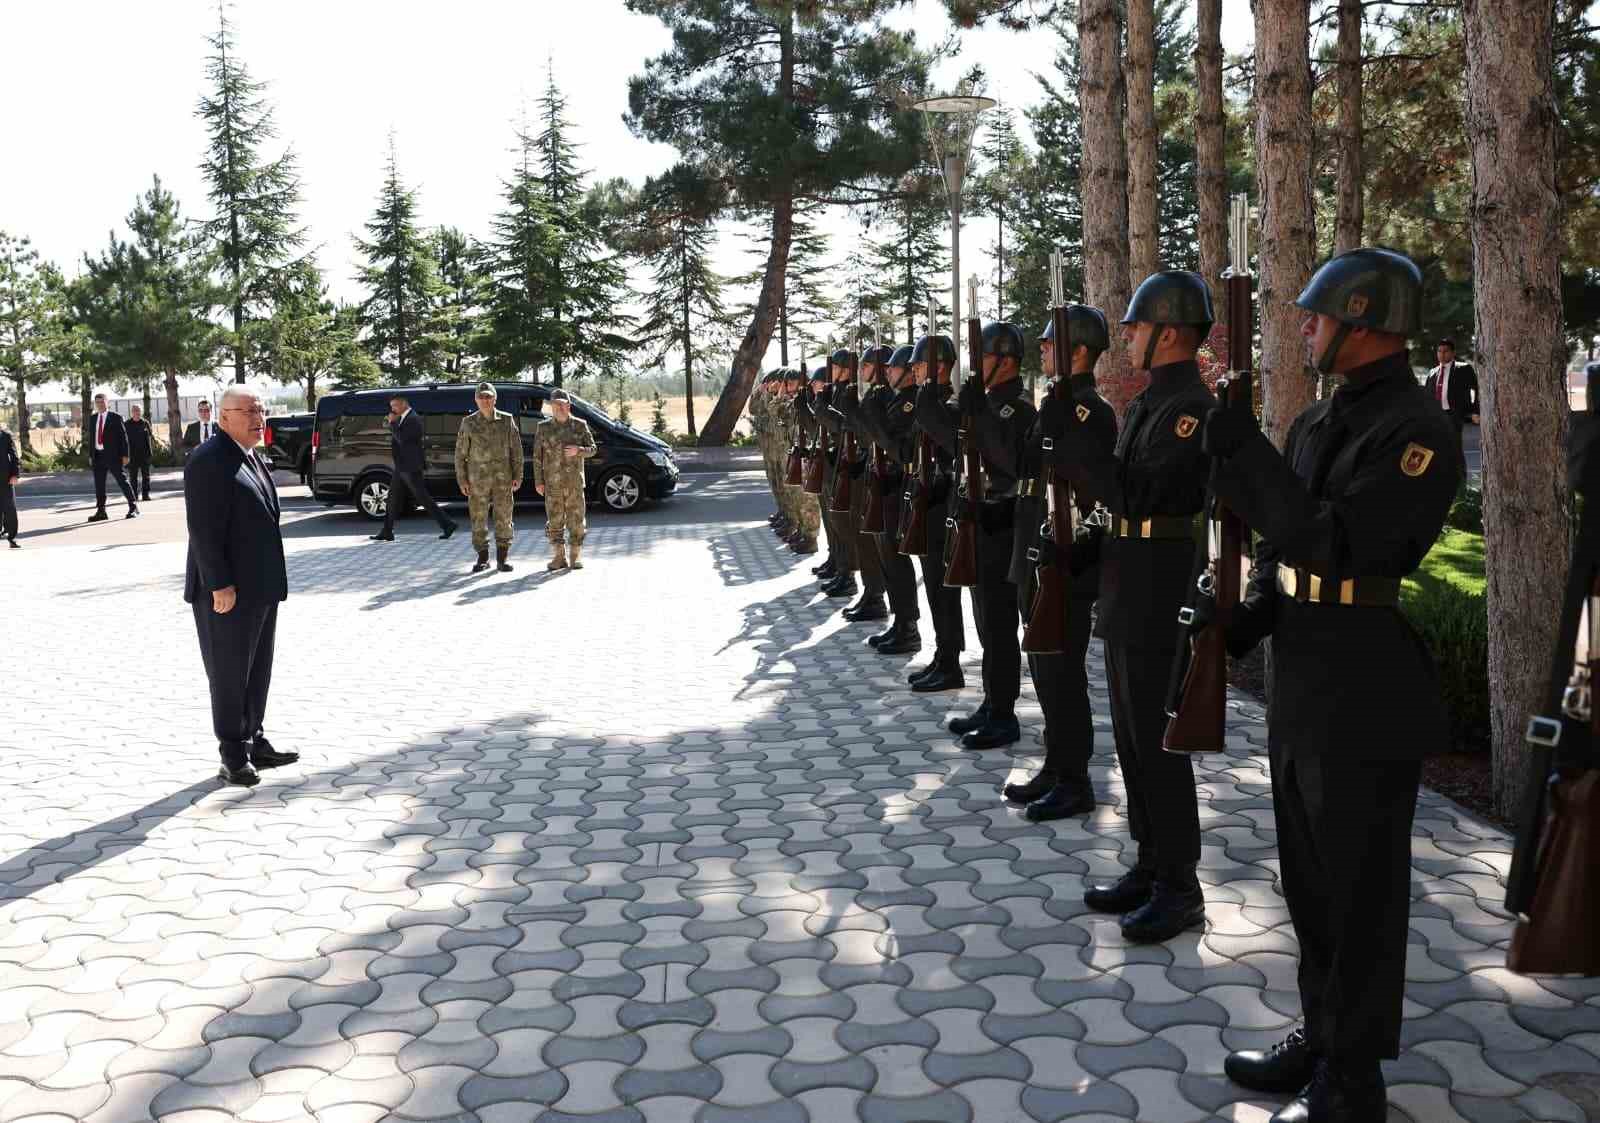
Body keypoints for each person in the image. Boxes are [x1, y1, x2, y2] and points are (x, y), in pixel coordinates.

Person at [1203, 249, 1460, 1123]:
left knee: (1360, 894)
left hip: (1362, 688)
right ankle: (1320, 1035)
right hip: (1303, 676)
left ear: (1363, 318)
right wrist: (1240, 622)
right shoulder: (1318, 422)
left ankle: (1355, 1081)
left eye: (1317, 315)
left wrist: (1243, 448)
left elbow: (1337, 545)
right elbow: (1283, 555)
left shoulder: (1416, 431)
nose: (1304, 327)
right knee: (1309, 885)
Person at [1041, 270, 1216, 943]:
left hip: (1160, 589)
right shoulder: (1149, 404)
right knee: (1133, 741)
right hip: (1126, 583)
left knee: (1159, 745)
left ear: (1170, 333)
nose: (1131, 339)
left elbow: (1136, 494)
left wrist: (1074, 450)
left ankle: (1182, 885)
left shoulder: (1190, 410)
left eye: (1139, 329)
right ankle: (1150, 861)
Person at [1007, 305, 1117, 821]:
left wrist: (1059, 429)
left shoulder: (1091, 411)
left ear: (1080, 352)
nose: (1044, 351)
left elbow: (1094, 489)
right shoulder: (1054, 403)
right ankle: (1056, 764)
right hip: (1038, 550)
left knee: (1064, 673)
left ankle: (1076, 779)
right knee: (1045, 670)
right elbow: (1026, 467)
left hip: (1069, 561)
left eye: (1052, 345)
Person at [917, 322, 1036, 750]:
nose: (975, 364)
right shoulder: (983, 404)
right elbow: (942, 433)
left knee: (1001, 625)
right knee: (986, 620)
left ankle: (1004, 714)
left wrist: (979, 413)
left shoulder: (1018, 409)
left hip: (1003, 525)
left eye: (983, 356)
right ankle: (992, 702)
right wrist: (931, 391)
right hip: (977, 522)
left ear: (1005, 361)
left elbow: (1006, 461)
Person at [184, 384, 298, 788]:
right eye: (249, 411)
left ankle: (255, 740)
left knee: (257, 669)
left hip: (260, 587)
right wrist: (219, 584)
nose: (258, 418)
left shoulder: (248, 455)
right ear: (224, 416)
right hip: (226, 592)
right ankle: (232, 754)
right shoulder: (209, 459)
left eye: (261, 410)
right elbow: (203, 529)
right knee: (229, 673)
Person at [909, 333, 966, 692]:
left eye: (920, 365)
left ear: (940, 367)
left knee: (945, 593)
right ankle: (942, 655)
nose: (914, 371)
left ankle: (951, 661)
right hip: (927, 505)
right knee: (933, 588)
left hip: (945, 508)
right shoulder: (929, 402)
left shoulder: (951, 406)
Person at [857, 344, 922, 653]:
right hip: (885, 486)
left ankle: (909, 626)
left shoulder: (910, 404)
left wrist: (873, 415)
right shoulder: (895, 402)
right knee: (887, 558)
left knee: (897, 560)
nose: (889, 373)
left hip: (898, 486)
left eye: (894, 369)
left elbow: (894, 446)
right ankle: (900, 621)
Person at [830, 348, 890, 623]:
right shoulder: (871, 396)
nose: (861, 370)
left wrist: (850, 411)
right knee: (857, 533)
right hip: (864, 472)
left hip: (881, 480)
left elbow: (867, 433)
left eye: (866, 365)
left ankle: (876, 596)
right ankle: (871, 591)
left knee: (871, 541)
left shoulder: (886, 398)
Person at [371, 393, 458, 544]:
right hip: (402, 466)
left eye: (395, 406)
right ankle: (387, 531)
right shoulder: (404, 418)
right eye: (391, 406)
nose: (393, 409)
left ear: (404, 404)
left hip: (410, 466)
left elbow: (403, 440)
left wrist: (392, 424)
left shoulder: (413, 419)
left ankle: (448, 524)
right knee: (392, 498)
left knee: (422, 497)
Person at [455, 383, 523, 574]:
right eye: (481, 397)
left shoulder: (506, 420)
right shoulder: (468, 423)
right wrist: (462, 480)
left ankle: (502, 559)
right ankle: (482, 558)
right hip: (477, 480)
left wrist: (518, 475)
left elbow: (516, 450)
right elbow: (460, 454)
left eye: (488, 397)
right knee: (478, 519)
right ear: (476, 399)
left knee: (504, 518)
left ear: (494, 399)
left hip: (503, 479)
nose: (485, 400)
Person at [533, 389, 598, 571]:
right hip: (552, 484)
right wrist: (539, 481)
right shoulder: (543, 427)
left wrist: (580, 450)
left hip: (574, 483)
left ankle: (575, 555)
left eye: (563, 404)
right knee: (554, 521)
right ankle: (558, 557)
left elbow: (593, 448)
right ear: (551, 406)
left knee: (576, 520)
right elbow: (537, 457)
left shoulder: (580, 425)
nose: (559, 407)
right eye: (556, 405)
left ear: (568, 406)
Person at [816, 358, 860, 601]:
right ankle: (842, 569)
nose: (830, 373)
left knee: (844, 523)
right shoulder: (838, 392)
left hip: (847, 466)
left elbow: (840, 425)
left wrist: (821, 408)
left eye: (834, 368)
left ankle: (850, 576)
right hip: (835, 463)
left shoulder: (849, 394)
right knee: (836, 521)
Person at [778, 369, 819, 555]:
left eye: (791, 383)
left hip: (809, 456)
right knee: (799, 498)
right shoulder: (796, 400)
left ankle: (811, 539)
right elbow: (778, 412)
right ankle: (803, 532)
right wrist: (783, 395)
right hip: (797, 455)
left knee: (809, 501)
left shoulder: (809, 401)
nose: (787, 387)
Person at [1423, 337, 1479, 461]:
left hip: (1453, 414)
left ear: (1453, 353)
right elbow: (1427, 396)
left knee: (1454, 447)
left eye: (1445, 351)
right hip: (1435, 416)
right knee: (1436, 448)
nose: (1442, 354)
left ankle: (1460, 475)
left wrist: (1475, 411)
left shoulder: (1463, 369)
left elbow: (1475, 389)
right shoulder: (1432, 372)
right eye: (1439, 351)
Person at [87, 393, 138, 522]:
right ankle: (101, 511)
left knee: (122, 481)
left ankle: (133, 507)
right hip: (98, 456)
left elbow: (123, 437)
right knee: (99, 485)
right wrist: (90, 455)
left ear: (107, 402)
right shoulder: (93, 418)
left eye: (102, 401)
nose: (99, 404)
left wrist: (125, 455)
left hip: (113, 456)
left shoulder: (115, 417)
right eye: (97, 402)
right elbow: (91, 438)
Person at [125, 405, 153, 502]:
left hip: (144, 454)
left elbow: (149, 437)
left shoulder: (145, 423)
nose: (136, 412)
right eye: (134, 410)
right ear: (131, 412)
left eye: (138, 410)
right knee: (133, 478)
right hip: (132, 455)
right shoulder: (127, 424)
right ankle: (134, 496)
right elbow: (124, 440)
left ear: (140, 412)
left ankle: (146, 495)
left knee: (146, 476)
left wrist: (150, 453)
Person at [0, 426, 19, 548]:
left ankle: (11, 537)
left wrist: (15, 474)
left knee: (9, 509)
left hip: (5, 479)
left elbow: (14, 455)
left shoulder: (6, 435)